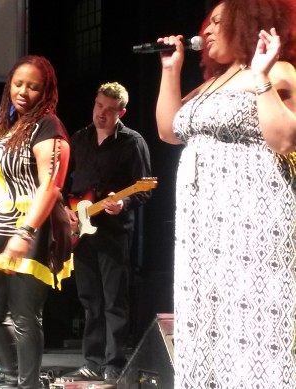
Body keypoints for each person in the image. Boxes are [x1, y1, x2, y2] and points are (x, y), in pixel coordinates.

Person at [154, 0, 296, 387]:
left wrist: (262, 77)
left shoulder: (279, 71)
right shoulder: (211, 84)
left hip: (253, 219)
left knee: (252, 322)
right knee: (205, 318)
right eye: (208, 22)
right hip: (202, 226)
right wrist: (171, 69)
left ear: (248, 23)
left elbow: (284, 139)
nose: (208, 30)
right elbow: (170, 130)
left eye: (219, 21)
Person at [0, 55, 72, 389]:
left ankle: (28, 385)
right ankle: (15, 379)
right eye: (18, 83)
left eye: (33, 86)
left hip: (31, 226)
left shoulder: (48, 126)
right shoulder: (5, 130)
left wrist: (26, 231)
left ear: (46, 90)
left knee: (24, 315)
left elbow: (51, 186)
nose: (23, 91)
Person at [60, 82, 152, 383]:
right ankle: (92, 361)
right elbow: (64, 184)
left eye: (110, 110)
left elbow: (144, 189)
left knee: (114, 300)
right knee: (90, 299)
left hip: (114, 233)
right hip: (82, 232)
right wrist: (67, 211)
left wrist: (123, 203)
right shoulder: (79, 138)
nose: (102, 113)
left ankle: (113, 364)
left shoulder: (132, 142)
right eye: (99, 106)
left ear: (121, 112)